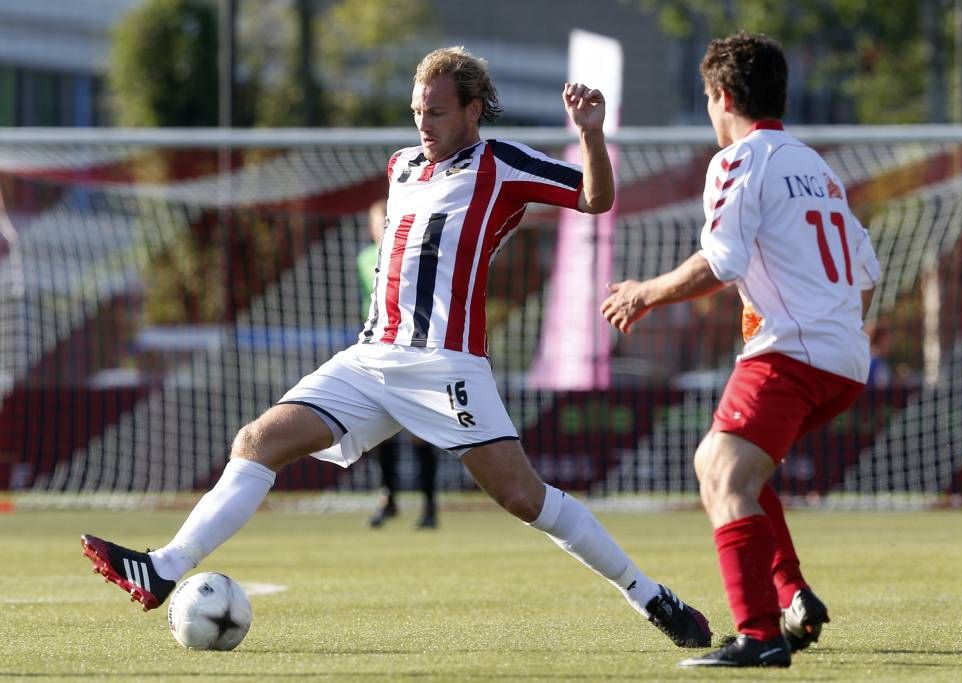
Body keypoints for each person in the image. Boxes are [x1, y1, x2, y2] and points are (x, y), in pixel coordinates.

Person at [80, 46, 712, 650]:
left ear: (472, 110)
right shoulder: (402, 165)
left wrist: (591, 134)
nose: (424, 123)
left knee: (526, 500)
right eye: (417, 111)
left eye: (437, 111)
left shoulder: (503, 165)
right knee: (257, 441)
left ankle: (648, 594)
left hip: (444, 364)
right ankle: (164, 568)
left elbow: (596, 198)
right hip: (370, 357)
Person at [601, 32, 879, 668]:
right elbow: (867, 268)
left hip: (791, 354)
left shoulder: (739, 160)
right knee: (730, 468)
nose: (708, 111)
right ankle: (793, 596)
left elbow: (721, 261)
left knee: (722, 474)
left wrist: (645, 292)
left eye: (706, 98)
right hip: (845, 360)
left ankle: (758, 637)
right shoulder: (817, 166)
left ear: (723, 96)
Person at [359, 199, 439, 529]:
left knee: (421, 433)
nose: (383, 228)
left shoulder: (416, 253)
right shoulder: (367, 258)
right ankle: (388, 497)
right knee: (379, 431)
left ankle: (430, 505)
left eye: (387, 221)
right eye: (379, 222)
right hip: (381, 350)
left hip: (418, 349)